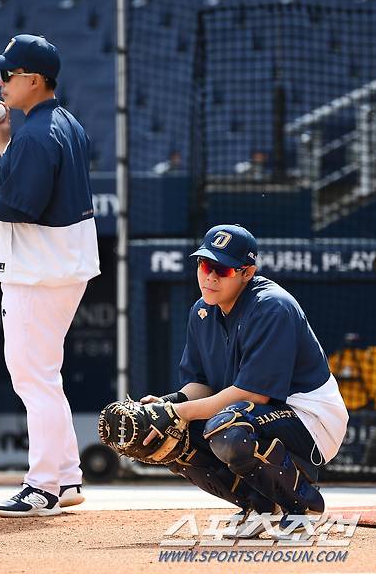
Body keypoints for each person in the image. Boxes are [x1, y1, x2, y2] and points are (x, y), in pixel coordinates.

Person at [0, 34, 100, 517]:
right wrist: (4, 145)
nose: (0, 81)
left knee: (31, 377)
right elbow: (38, 181)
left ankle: (41, 485)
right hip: (62, 265)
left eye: (8, 74)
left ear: (33, 80)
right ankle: (66, 476)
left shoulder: (38, 134)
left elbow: (21, 204)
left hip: (39, 272)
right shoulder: (61, 124)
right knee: (44, 376)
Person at [141, 224, 348, 536]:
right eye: (204, 264)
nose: (209, 276)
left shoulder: (272, 306)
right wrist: (169, 406)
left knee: (227, 428)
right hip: (255, 412)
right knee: (171, 436)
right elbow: (200, 386)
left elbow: (254, 394)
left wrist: (178, 413)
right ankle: (259, 505)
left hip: (310, 418)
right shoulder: (202, 311)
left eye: (221, 269)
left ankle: (302, 505)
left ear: (247, 273)